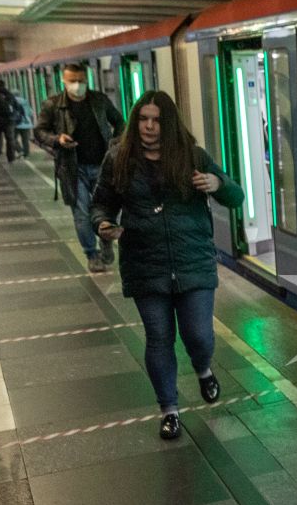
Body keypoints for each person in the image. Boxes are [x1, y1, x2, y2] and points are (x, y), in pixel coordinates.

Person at [91, 91, 242, 441]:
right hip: (146, 263)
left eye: (156, 120)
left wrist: (217, 183)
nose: (148, 126)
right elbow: (101, 204)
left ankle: (203, 369)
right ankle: (169, 410)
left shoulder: (192, 156)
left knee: (199, 336)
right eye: (143, 119)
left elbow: (235, 196)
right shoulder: (119, 159)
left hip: (193, 261)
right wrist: (102, 225)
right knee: (159, 338)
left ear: (168, 122)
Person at [40, 66, 124, 273]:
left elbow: (120, 122)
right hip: (72, 168)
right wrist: (57, 140)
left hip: (102, 165)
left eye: (81, 80)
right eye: (72, 80)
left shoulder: (99, 100)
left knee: (107, 208)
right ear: (64, 81)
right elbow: (39, 131)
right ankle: (91, 254)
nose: (77, 85)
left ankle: (105, 238)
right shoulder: (53, 105)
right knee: (82, 214)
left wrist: (116, 145)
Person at [0, 78, 24, 163]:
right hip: (9, 121)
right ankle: (11, 157)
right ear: (4, 85)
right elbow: (16, 106)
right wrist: (16, 117)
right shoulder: (9, 93)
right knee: (10, 139)